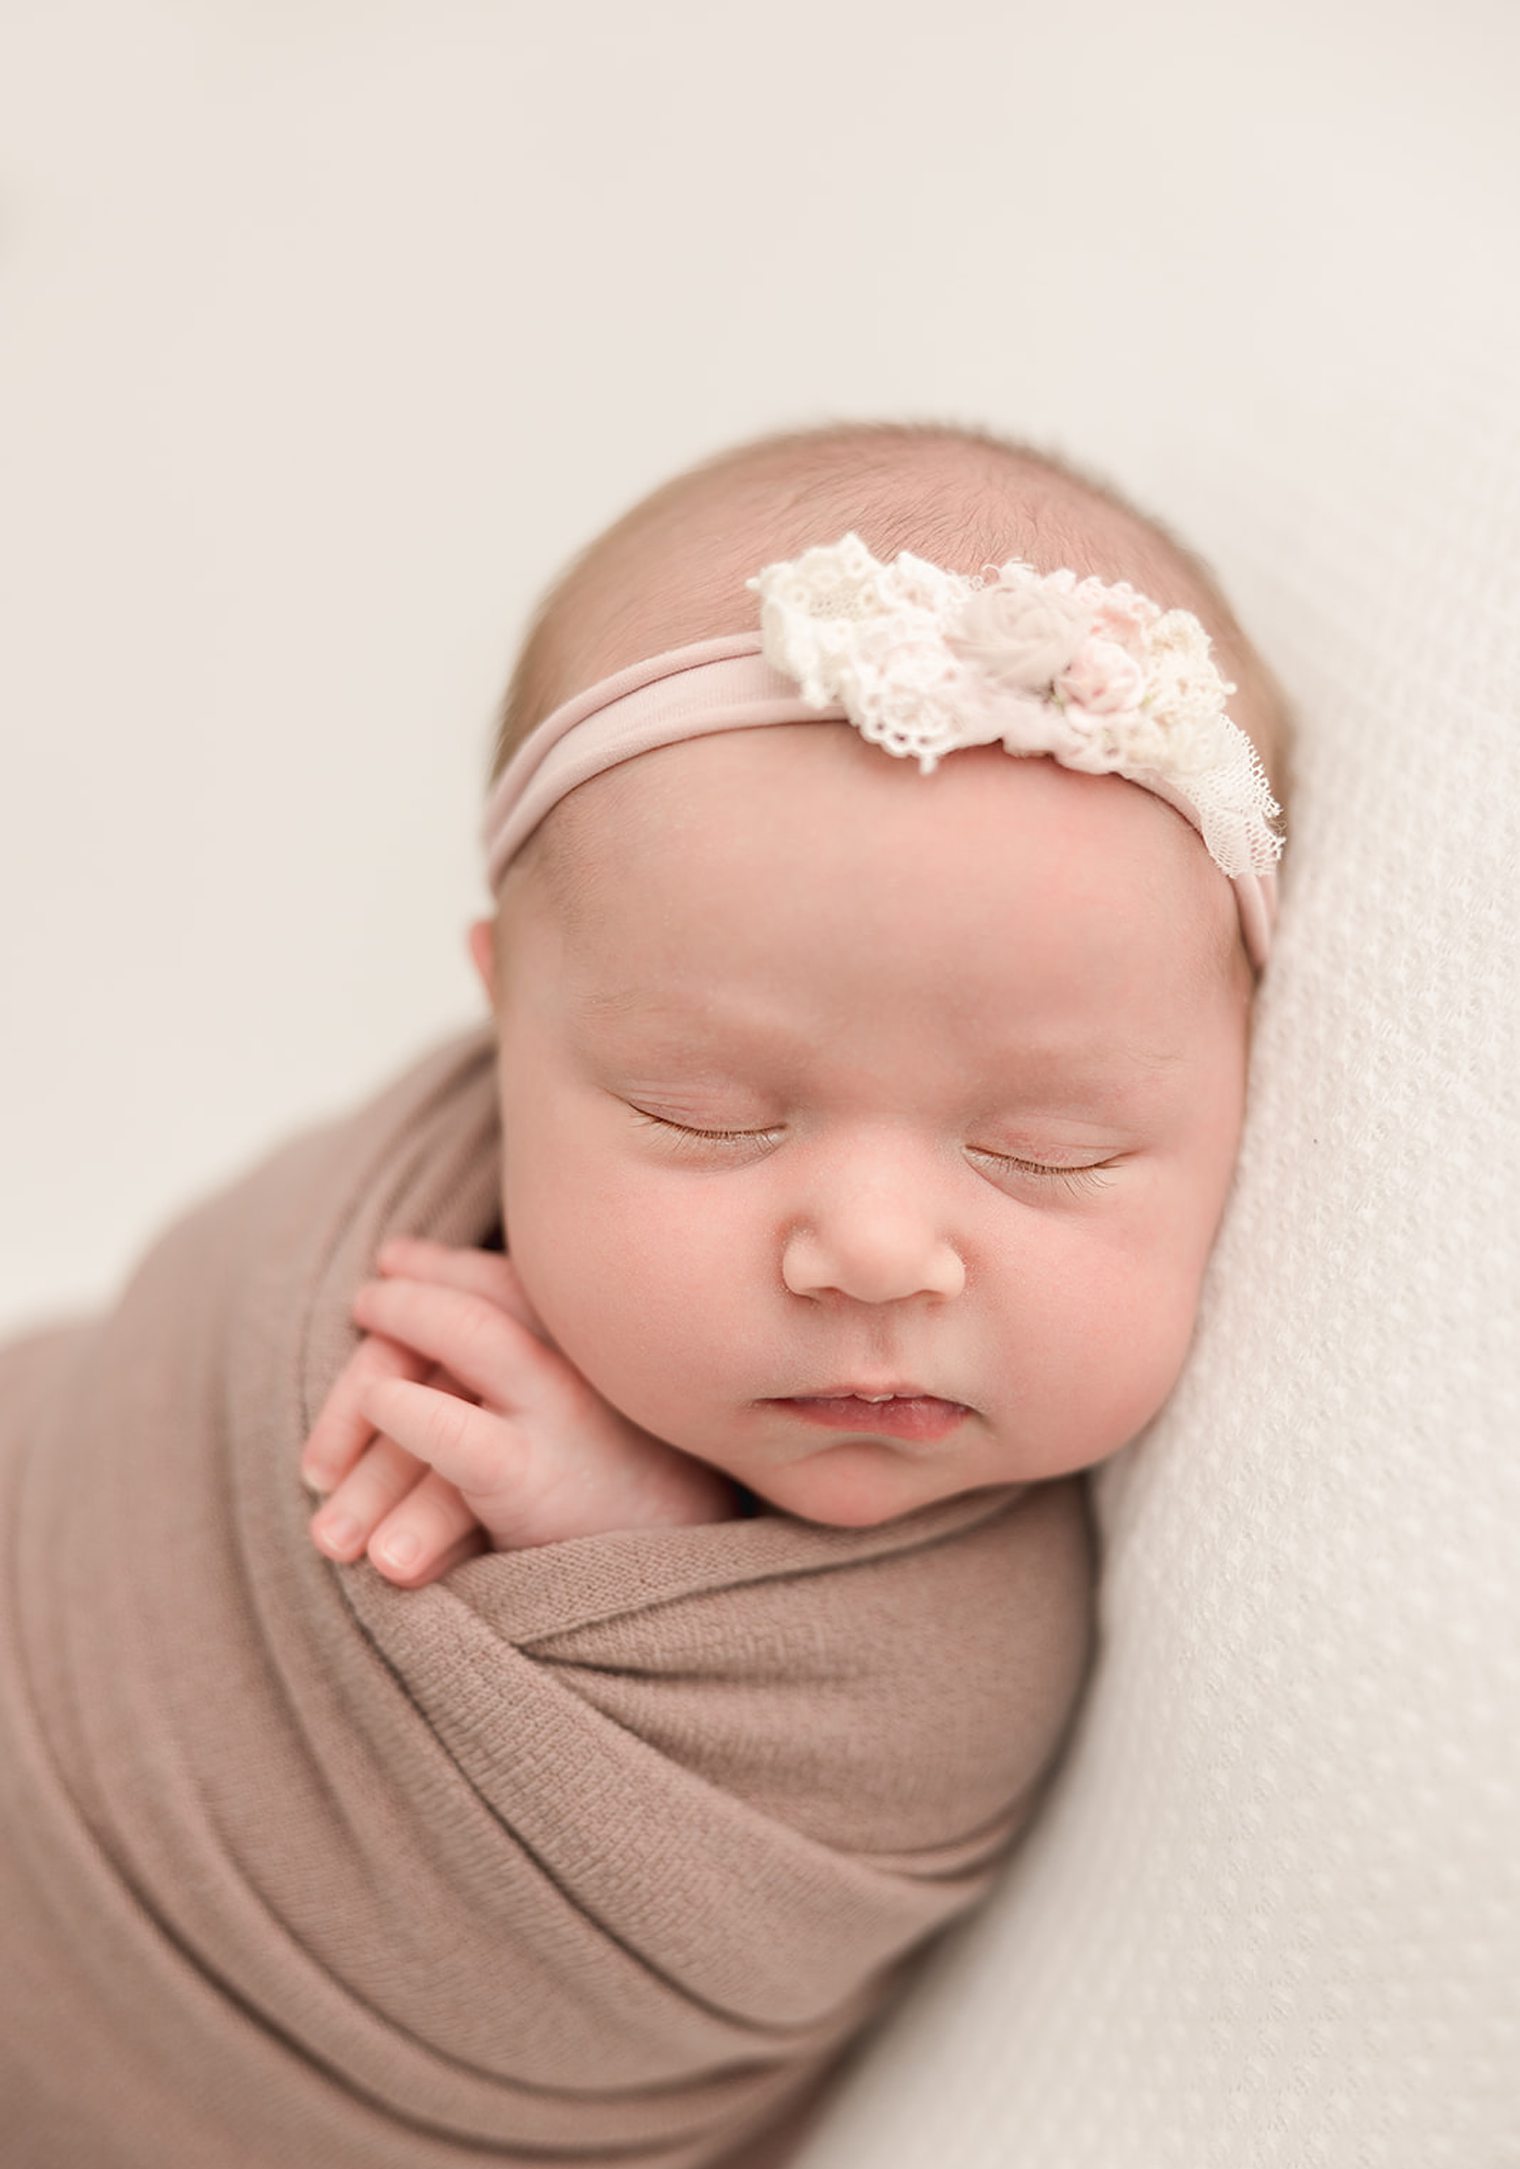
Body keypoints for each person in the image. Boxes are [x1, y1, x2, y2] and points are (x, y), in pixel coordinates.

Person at [301, 415, 1293, 1586]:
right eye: (704, 1113)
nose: (872, 1253)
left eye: (1048, 1148)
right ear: (505, 1012)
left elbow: (901, 1754)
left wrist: (634, 1549)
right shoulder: (369, 1284)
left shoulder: (1132, 1588)